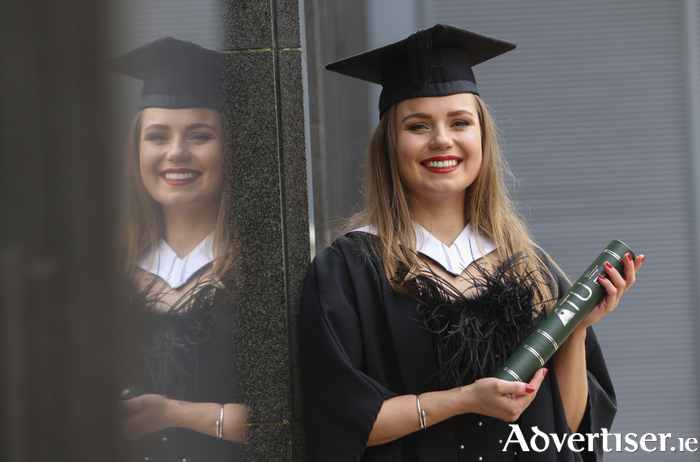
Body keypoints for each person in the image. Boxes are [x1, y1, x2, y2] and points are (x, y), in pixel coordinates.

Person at [299, 24, 644, 462]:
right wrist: (464, 399)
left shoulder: (531, 266)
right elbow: (340, 422)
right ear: (390, 144)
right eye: (418, 125)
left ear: (482, 137)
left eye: (459, 122)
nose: (442, 139)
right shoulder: (348, 271)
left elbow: (567, 432)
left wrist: (576, 330)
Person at [110, 36, 248, 461]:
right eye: (157, 136)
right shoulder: (106, 277)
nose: (176, 152)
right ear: (137, 151)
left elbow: (307, 413)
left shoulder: (264, 274)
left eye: (199, 135)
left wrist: (174, 413)